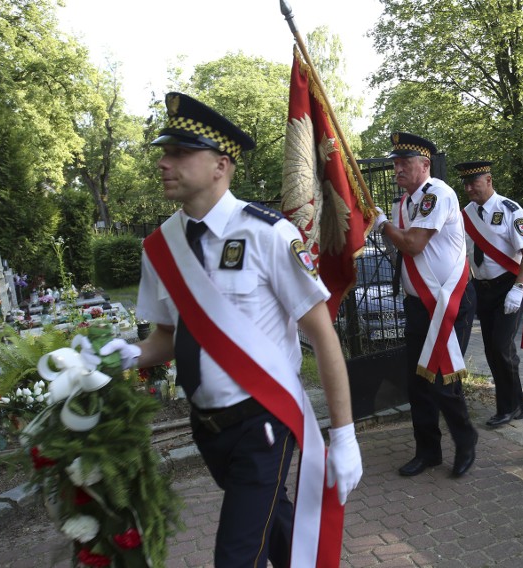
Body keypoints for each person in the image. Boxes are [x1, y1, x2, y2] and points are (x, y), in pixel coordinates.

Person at [87, 93, 362, 567]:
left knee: (236, 555)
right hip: (208, 427)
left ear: (220, 164)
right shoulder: (160, 247)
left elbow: (321, 333)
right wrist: (124, 356)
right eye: (164, 151)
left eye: (179, 153)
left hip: (265, 420)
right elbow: (167, 338)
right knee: (273, 525)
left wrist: (344, 433)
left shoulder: (267, 233)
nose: (163, 163)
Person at [373, 132, 478, 478]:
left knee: (442, 379)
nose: (397, 169)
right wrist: (383, 226)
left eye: (404, 163)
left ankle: (465, 442)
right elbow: (400, 252)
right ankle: (428, 451)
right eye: (395, 163)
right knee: (417, 382)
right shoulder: (402, 203)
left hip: (449, 301)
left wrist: (383, 226)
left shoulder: (438, 194)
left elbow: (413, 245)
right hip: (419, 304)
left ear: (425, 165)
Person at [456, 160, 523, 426]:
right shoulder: (465, 213)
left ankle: (509, 407)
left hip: (508, 287)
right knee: (492, 349)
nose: (469, 189)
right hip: (482, 288)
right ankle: (516, 405)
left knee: (502, 347)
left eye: (474, 183)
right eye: (465, 184)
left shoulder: (510, 209)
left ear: (488, 180)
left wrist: (519, 288)